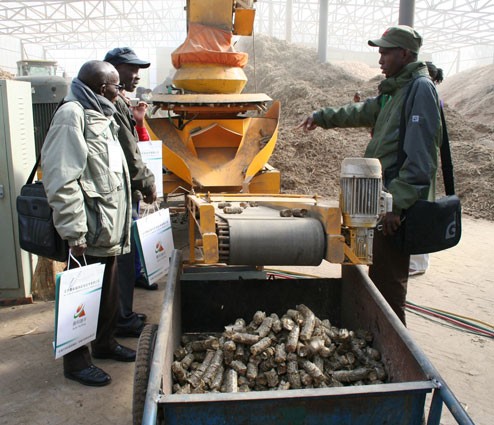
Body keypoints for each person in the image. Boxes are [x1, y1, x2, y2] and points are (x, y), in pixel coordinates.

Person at [298, 25, 442, 325]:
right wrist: (321, 117)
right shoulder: (396, 91)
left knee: (389, 285)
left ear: (405, 54)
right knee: (379, 278)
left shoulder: (419, 90)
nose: (380, 60)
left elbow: (422, 157)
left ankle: (395, 346)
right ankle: (379, 335)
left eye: (386, 53)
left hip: (397, 206)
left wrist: (397, 205)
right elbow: (361, 112)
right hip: (385, 198)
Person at [41, 60, 136, 386]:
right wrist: (74, 231)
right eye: (116, 86)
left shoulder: (100, 114)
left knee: (107, 294)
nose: (120, 91)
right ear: (102, 88)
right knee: (80, 298)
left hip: (105, 226)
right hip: (87, 228)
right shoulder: (72, 116)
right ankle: (76, 362)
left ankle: (104, 343)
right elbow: (62, 178)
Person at [103, 47, 159, 338]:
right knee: (119, 260)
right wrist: (147, 183)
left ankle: (122, 314)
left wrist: (138, 121)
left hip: (122, 192)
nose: (137, 76)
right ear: (112, 70)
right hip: (114, 196)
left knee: (124, 258)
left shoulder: (119, 101)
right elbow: (128, 152)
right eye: (131, 69)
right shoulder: (109, 104)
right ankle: (120, 320)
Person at [409, 61, 444, 277]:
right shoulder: (423, 94)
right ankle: (415, 259)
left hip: (422, 163)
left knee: (420, 210)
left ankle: (419, 262)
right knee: (416, 210)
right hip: (419, 162)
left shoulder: (427, 95)